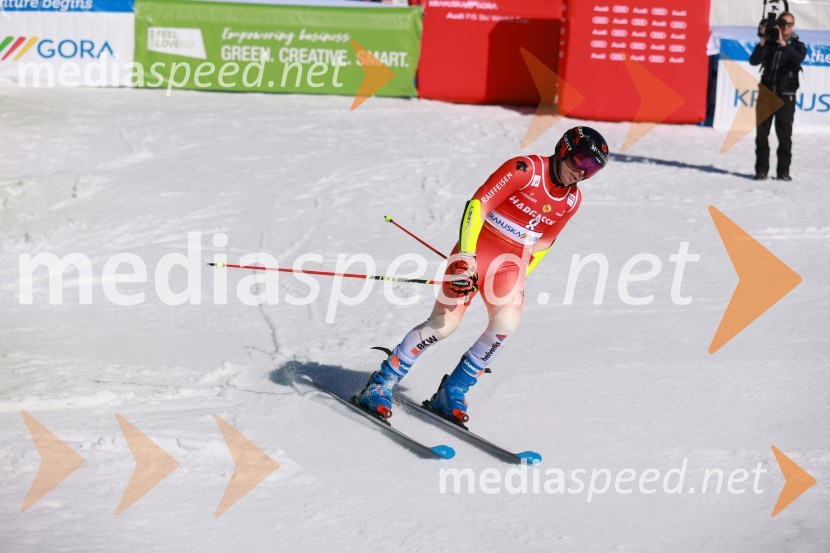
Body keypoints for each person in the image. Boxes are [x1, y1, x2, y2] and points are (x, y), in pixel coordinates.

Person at [354, 126, 609, 425]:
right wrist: (465, 259)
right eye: (581, 161)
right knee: (444, 325)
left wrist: (521, 276)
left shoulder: (571, 201)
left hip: (510, 267)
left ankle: (454, 390)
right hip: (476, 250)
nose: (582, 172)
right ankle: (381, 383)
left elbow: (543, 244)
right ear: (564, 149)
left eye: (591, 170)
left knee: (505, 325)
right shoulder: (524, 169)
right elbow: (477, 206)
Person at [749, 11, 806, 181]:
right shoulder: (769, 43)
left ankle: (783, 171)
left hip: (785, 95)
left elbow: (798, 59)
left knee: (784, 135)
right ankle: (761, 170)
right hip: (766, 93)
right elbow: (754, 61)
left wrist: (783, 43)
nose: (785, 27)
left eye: (789, 24)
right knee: (761, 134)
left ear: (793, 26)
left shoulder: (797, 45)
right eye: (783, 24)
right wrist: (762, 41)